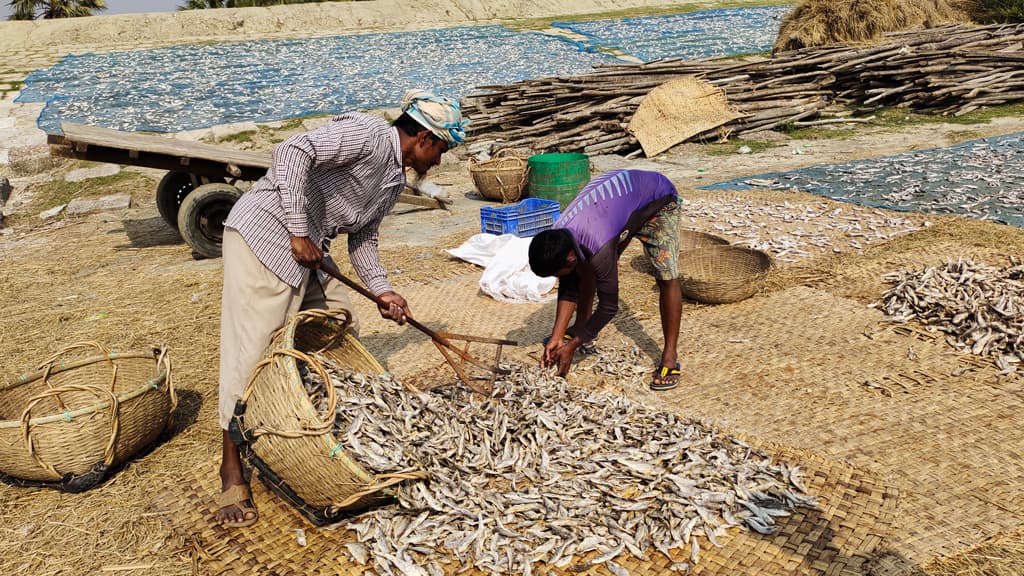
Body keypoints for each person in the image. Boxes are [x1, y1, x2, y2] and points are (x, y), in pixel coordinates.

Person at [215, 89, 468, 528]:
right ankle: (231, 467)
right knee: (252, 351)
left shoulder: (392, 181)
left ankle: (306, 421)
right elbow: (292, 151)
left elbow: (363, 240)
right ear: (426, 139)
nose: (439, 162)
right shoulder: (369, 134)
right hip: (266, 237)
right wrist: (297, 230)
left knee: (337, 321)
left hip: (311, 251)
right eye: (443, 150)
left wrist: (384, 291)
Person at [528, 169, 682, 391]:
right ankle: (582, 326)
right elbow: (570, 284)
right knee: (583, 269)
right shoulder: (558, 233)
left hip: (658, 200)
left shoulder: (598, 246)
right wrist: (557, 336)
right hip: (618, 207)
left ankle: (669, 356)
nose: (557, 278)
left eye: (556, 273)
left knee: (667, 278)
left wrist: (572, 345)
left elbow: (609, 307)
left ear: (570, 257)